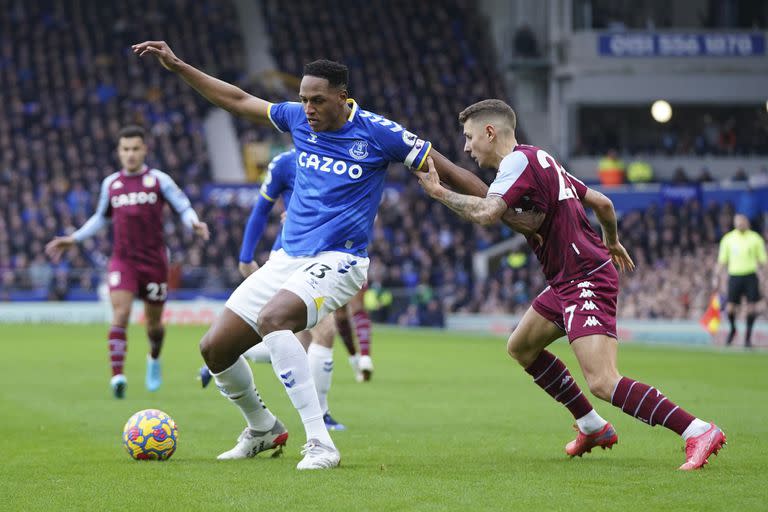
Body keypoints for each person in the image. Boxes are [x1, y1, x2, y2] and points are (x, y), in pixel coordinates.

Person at [133, 41, 526, 469]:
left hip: (342, 260)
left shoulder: (381, 133)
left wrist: (502, 208)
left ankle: (321, 444)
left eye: (317, 100)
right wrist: (179, 66)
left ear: (343, 97)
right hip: (287, 257)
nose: (308, 109)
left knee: (274, 319)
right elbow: (238, 99)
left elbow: (451, 170)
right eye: (303, 100)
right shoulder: (298, 121)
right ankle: (263, 428)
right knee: (214, 349)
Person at [416, 99, 725, 471]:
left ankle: (697, 429)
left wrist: (439, 193)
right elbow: (603, 203)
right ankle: (592, 426)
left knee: (602, 380)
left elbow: (485, 214)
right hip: (568, 279)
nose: (466, 148)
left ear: (490, 132)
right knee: (521, 346)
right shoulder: (541, 159)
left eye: (468, 138)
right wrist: (610, 241)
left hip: (585, 278)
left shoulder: (516, 164)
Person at [45, 125, 209, 398]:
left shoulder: (158, 180)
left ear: (144, 149)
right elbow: (101, 217)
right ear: (119, 152)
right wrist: (73, 238)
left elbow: (182, 205)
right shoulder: (111, 184)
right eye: (125, 149)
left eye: (135, 148)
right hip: (123, 261)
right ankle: (117, 376)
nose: (130, 154)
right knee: (120, 314)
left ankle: (153, 359)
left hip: (155, 262)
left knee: (154, 326)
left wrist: (193, 223)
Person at [199, 148, 347, 430]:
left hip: (328, 256)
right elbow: (260, 210)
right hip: (291, 258)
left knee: (300, 342)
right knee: (325, 331)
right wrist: (245, 257)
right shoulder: (286, 163)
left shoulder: (346, 160)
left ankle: (237, 353)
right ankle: (323, 415)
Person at [713, 214, 766, 347]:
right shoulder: (728, 239)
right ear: (734, 223)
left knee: (751, 308)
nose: (740, 224)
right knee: (730, 308)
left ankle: (747, 338)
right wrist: (716, 276)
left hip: (750, 275)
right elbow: (722, 260)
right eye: (738, 222)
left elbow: (763, 260)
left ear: (747, 222)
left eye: (742, 221)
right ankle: (733, 329)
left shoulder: (755, 238)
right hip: (734, 276)